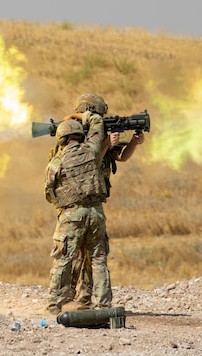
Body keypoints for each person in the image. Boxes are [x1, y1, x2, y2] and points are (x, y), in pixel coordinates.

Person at [69, 94, 146, 309]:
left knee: (94, 254)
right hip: (75, 204)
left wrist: (133, 142)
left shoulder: (98, 134)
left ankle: (87, 300)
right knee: (73, 255)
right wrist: (103, 144)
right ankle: (67, 300)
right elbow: (88, 163)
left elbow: (121, 156)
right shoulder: (74, 138)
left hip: (94, 206)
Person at [44, 113, 112, 315]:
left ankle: (54, 304)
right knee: (98, 259)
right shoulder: (92, 150)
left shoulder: (57, 162)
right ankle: (103, 305)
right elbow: (97, 123)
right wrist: (82, 115)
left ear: (62, 138)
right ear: (80, 135)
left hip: (71, 215)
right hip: (96, 213)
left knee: (63, 258)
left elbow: (49, 192)